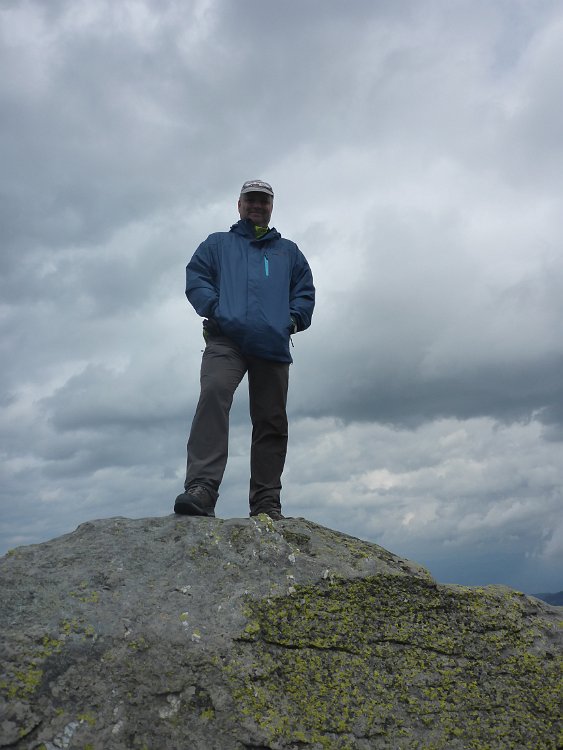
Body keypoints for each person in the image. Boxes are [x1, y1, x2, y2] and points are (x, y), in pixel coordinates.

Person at [174, 179, 315, 520]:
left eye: (263, 201)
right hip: (226, 339)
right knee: (214, 393)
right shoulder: (217, 244)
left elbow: (305, 291)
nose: (257, 206)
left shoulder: (288, 252)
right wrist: (217, 308)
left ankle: (267, 503)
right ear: (239, 205)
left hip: (272, 344)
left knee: (271, 421)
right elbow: (197, 278)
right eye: (250, 200)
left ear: (271, 206)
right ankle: (202, 489)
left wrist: (291, 321)